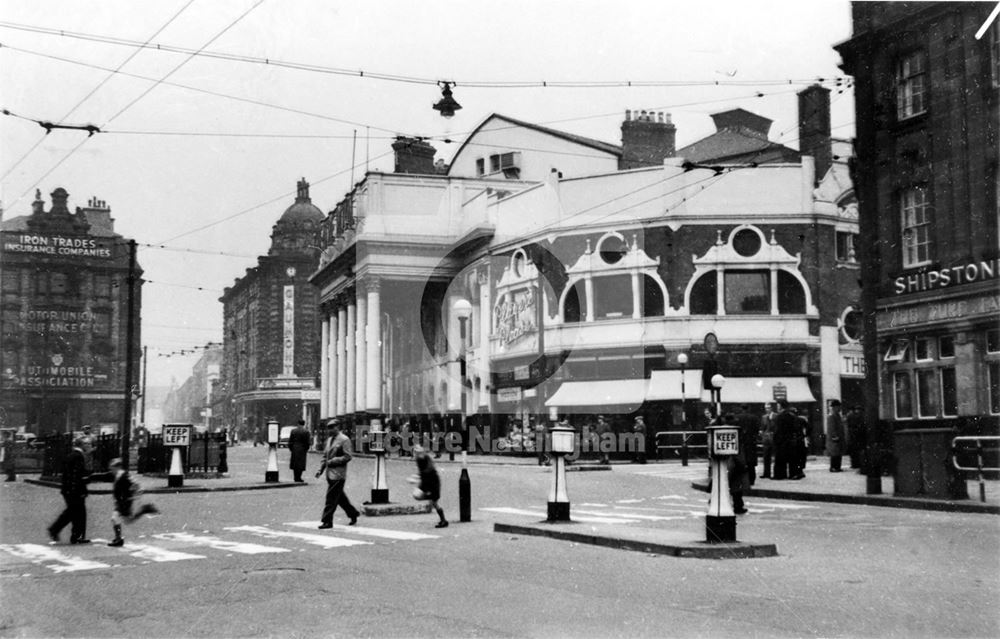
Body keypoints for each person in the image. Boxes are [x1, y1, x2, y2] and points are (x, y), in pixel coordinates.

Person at [89, 458, 159, 547]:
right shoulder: (116, 475)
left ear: (117, 467)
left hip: (125, 501)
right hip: (121, 501)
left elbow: (136, 485)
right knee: (127, 520)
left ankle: (118, 539)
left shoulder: (125, 476)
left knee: (115, 518)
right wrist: (90, 477)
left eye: (112, 468)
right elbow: (103, 476)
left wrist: (136, 494)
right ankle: (144, 510)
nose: (111, 470)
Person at [47, 436, 92, 544]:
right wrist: (81, 489)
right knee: (78, 513)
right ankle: (73, 535)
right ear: (82, 445)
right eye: (87, 444)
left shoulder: (73, 455)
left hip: (69, 489)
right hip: (74, 490)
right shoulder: (78, 456)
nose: (89, 446)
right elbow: (77, 475)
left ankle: (62, 532)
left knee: (72, 512)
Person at [315, 421, 360, 529]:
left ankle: (327, 521)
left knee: (331, 498)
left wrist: (333, 461)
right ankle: (353, 513)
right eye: (328, 428)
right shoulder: (330, 440)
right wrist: (320, 469)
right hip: (329, 474)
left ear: (337, 427)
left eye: (332, 427)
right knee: (339, 498)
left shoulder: (344, 440)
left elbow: (348, 456)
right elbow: (325, 456)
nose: (329, 430)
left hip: (339, 475)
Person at [410, 446, 449, 528]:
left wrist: (416, 477)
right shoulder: (418, 460)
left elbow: (428, 470)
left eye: (418, 452)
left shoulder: (427, 459)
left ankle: (443, 520)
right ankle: (431, 499)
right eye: (415, 453)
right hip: (425, 481)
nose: (417, 454)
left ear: (422, 452)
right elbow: (422, 472)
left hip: (433, 482)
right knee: (416, 495)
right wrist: (417, 477)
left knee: (435, 502)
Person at [771, 400, 797, 480]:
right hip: (789, 439)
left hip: (780, 440)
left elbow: (777, 430)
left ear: (780, 406)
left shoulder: (778, 417)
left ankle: (780, 475)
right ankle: (792, 474)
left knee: (779, 459)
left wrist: (775, 439)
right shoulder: (791, 416)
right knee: (791, 459)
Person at [826, 400, 846, 472]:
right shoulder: (832, 416)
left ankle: (837, 467)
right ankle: (833, 467)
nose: (840, 408)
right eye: (838, 407)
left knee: (838, 452)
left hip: (839, 437)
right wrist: (835, 436)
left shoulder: (838, 416)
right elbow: (832, 428)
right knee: (834, 453)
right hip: (834, 438)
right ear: (834, 407)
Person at [759, 403, 777, 479]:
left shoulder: (776, 416)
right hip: (766, 438)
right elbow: (762, 427)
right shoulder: (764, 417)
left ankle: (775, 473)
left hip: (773, 438)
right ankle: (766, 473)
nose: (767, 409)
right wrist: (761, 432)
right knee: (766, 456)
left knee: (775, 456)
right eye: (766, 408)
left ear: (771, 408)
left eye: (768, 408)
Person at [846, 405, 865, 471]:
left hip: (853, 436)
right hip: (856, 436)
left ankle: (854, 464)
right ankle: (856, 464)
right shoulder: (857, 416)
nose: (858, 411)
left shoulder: (851, 415)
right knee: (856, 451)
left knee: (854, 451)